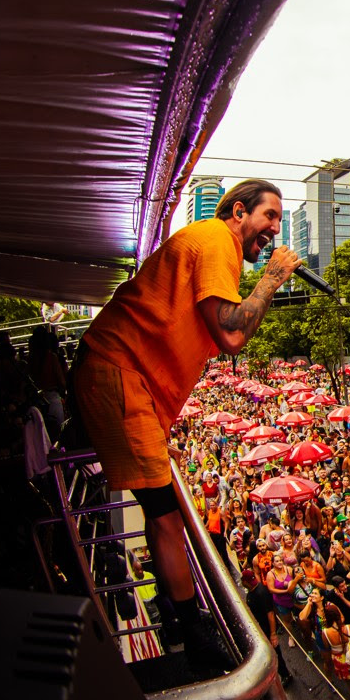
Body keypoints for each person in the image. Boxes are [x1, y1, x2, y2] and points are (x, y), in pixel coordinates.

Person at [73, 179, 299, 673]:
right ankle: (195, 633)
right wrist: (270, 281)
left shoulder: (213, 244)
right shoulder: (217, 239)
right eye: (270, 217)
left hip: (129, 382)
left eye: (280, 221)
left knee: (166, 510)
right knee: (167, 516)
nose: (275, 230)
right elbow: (232, 331)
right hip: (119, 374)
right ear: (239, 211)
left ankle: (183, 622)